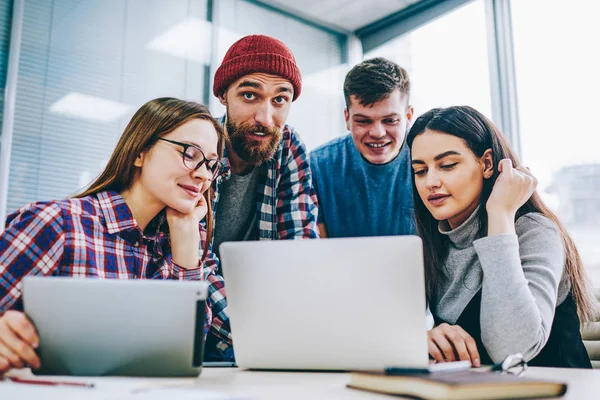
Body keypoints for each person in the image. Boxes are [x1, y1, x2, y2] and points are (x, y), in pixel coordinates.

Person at [0, 97, 227, 374]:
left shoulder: (182, 242)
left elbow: (184, 356)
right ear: (140, 152)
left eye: (211, 164)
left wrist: (186, 240)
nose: (203, 174)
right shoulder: (59, 224)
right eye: (190, 153)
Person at [408, 105, 595, 368]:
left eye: (447, 165)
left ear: (486, 164)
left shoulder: (534, 230)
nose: (431, 182)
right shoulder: (433, 242)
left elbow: (511, 349)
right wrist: (422, 340)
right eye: (420, 170)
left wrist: (501, 215)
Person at [205, 34, 319, 361]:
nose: (265, 118)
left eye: (279, 100)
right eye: (250, 95)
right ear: (223, 96)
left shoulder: (289, 146)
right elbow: (194, 263)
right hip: (197, 317)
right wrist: (255, 330)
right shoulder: (197, 148)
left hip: (263, 316)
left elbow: (298, 247)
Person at [310, 57, 415, 238]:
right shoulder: (317, 166)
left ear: (408, 116)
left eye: (390, 120)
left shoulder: (429, 160)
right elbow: (319, 251)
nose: (377, 133)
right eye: (363, 121)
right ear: (347, 119)